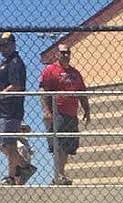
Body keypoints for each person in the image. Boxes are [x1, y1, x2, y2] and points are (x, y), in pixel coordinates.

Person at [39, 43, 90, 186]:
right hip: (57, 113)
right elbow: (43, 91)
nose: (65, 55)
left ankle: (61, 174)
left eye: (68, 52)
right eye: (62, 53)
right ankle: (59, 175)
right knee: (58, 144)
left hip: (71, 114)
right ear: (57, 54)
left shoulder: (75, 73)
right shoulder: (50, 69)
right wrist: (46, 111)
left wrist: (87, 109)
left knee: (68, 146)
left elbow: (82, 93)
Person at [0, 32, 27, 186]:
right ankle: (24, 165)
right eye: (1, 45)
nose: (3, 48)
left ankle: (10, 177)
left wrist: (2, 94)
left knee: (8, 143)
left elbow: (17, 85)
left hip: (11, 109)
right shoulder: (5, 63)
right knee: (3, 143)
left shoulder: (15, 62)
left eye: (6, 44)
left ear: (13, 44)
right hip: (3, 109)